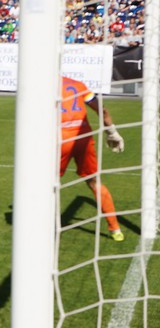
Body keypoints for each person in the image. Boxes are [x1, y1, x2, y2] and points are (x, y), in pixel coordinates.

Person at [60, 76, 125, 241]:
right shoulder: (76, 84)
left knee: (47, 185)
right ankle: (115, 228)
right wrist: (112, 132)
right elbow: (101, 110)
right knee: (94, 182)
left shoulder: (41, 85)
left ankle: (42, 228)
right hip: (84, 137)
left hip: (60, 139)